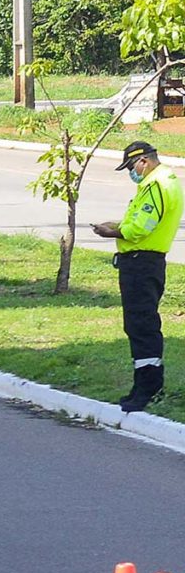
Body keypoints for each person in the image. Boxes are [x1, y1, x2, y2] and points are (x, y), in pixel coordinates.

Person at [92, 140, 183, 412]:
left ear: (143, 160)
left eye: (132, 166)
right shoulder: (162, 181)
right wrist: (118, 225)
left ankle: (149, 387)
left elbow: (142, 227)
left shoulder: (157, 184)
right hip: (143, 261)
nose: (132, 172)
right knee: (138, 324)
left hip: (142, 263)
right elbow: (140, 223)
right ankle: (143, 384)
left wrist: (114, 232)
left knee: (142, 325)